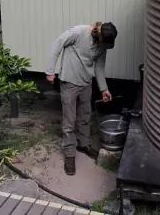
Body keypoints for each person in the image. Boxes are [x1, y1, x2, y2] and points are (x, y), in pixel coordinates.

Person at [45, 22, 118, 175]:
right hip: (69, 82)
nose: (104, 46)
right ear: (99, 35)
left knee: (85, 116)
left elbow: (99, 67)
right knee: (69, 121)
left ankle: (83, 144)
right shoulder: (79, 32)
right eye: (103, 43)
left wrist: (104, 89)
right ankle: (70, 154)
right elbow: (57, 45)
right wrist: (50, 71)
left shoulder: (103, 44)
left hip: (86, 83)